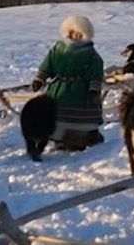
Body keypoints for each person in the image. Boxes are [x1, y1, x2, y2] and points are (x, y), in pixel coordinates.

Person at [32, 15, 105, 152]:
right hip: (59, 89)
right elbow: (48, 64)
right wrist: (40, 78)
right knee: (55, 114)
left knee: (79, 119)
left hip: (80, 92)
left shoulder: (91, 54)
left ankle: (80, 139)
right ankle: (59, 139)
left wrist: (94, 88)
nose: (74, 36)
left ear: (84, 35)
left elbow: (96, 72)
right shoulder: (58, 49)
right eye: (71, 32)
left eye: (78, 33)